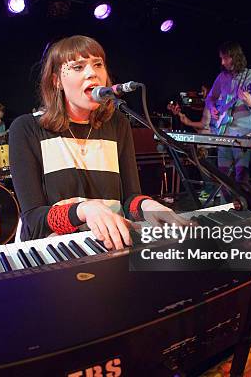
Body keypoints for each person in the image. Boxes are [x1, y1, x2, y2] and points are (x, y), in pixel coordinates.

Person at [9, 35, 175, 250]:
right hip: (56, 250)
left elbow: (130, 198)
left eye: (98, 64)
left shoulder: (118, 124)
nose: (92, 73)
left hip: (113, 243)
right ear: (56, 81)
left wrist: (148, 206)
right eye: (78, 67)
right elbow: (34, 220)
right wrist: (84, 210)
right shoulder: (27, 129)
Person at [205, 41, 251, 198]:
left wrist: (249, 102)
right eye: (221, 58)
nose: (222, 62)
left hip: (243, 133)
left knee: (241, 177)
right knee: (223, 177)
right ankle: (225, 209)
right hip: (224, 132)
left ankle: (242, 211)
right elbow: (210, 98)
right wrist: (212, 108)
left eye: (225, 58)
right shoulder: (222, 77)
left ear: (235, 57)